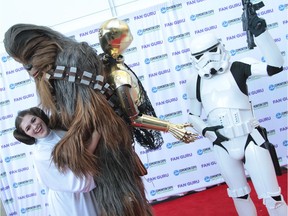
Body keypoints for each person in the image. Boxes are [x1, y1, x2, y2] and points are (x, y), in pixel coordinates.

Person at [3, 18, 195, 215]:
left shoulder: (76, 58)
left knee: (123, 203)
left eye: (29, 61)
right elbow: (70, 115)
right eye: (24, 65)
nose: (30, 70)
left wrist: (73, 149)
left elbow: (108, 115)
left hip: (109, 148)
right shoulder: (49, 74)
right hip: (93, 156)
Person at [186, 5, 287, 216]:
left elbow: (274, 67)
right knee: (239, 196)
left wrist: (261, 34)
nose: (207, 59)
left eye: (211, 52)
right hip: (222, 144)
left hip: (250, 137)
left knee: (272, 197)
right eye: (200, 56)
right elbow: (193, 115)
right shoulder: (195, 80)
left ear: (220, 47)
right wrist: (207, 132)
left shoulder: (238, 65)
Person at [13, 107, 99, 216]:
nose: (35, 127)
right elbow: (79, 161)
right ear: (26, 135)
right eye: (28, 128)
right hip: (68, 200)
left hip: (83, 194)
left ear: (39, 117)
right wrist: (97, 135)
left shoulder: (60, 132)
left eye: (33, 120)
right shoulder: (41, 154)